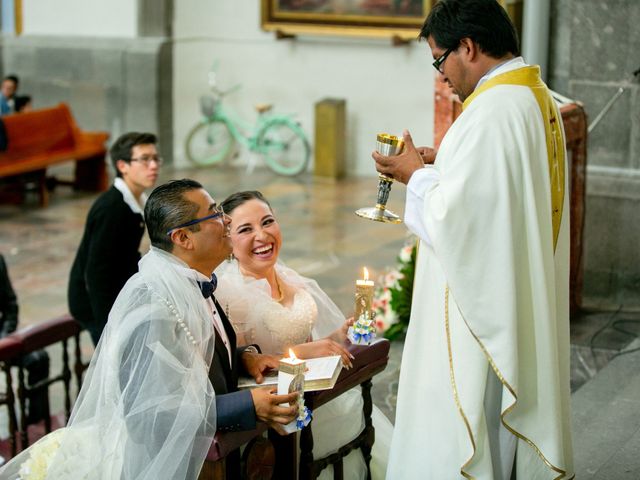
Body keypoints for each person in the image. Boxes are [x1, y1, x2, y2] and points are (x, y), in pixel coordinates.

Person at [372, 1, 574, 478]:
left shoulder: (492, 111)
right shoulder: (533, 94)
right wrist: (442, 164)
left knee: (476, 411)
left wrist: (414, 177)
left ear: (468, 46)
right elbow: (501, 193)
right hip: (516, 290)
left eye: (440, 60)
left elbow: (462, 221)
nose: (442, 76)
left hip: (479, 311)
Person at [0, 179, 298, 479]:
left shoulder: (192, 281)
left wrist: (244, 355)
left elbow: (196, 355)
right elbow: (151, 412)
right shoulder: (153, 307)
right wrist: (246, 404)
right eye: (215, 213)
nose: (227, 220)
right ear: (183, 237)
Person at [215, 190, 393, 480]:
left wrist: (338, 336)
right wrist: (308, 353)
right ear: (227, 241)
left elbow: (307, 341)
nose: (262, 236)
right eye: (246, 229)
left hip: (317, 392)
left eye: (267, 222)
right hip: (280, 418)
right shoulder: (230, 295)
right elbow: (249, 371)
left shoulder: (289, 277)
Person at [68, 131, 161, 345]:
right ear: (122, 166)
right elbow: (96, 274)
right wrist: (108, 330)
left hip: (117, 292)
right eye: (145, 159)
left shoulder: (137, 199)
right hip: (94, 303)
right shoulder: (112, 209)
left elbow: (125, 255)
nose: (153, 165)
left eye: (156, 158)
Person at [0, 254, 50, 427]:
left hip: (1, 338)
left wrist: (5, 337)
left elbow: (10, 305)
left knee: (39, 359)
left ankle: (35, 425)